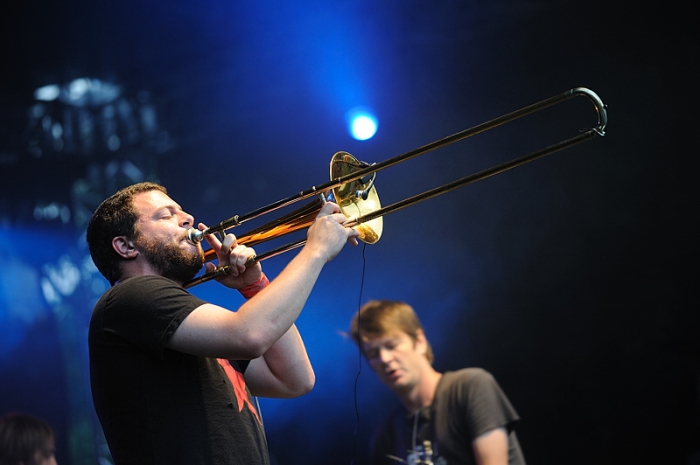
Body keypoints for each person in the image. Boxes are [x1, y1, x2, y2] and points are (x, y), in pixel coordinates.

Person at [86, 181, 359, 465]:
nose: (188, 218)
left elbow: (294, 380)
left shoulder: (180, 323)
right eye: (165, 215)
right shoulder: (130, 295)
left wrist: (255, 286)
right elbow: (250, 335)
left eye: (181, 211)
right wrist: (315, 251)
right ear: (125, 246)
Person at [349, 300, 526, 465]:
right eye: (373, 353)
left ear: (419, 341)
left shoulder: (470, 387)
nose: (384, 359)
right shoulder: (385, 437)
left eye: (391, 345)